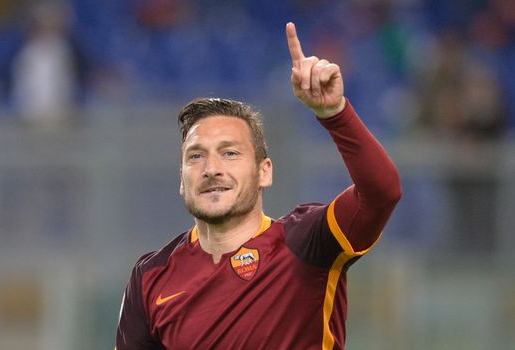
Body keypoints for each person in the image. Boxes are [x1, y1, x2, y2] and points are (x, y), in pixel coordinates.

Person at [115, 22, 402, 349]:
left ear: (264, 171)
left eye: (230, 153)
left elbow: (382, 194)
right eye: (196, 156)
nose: (211, 169)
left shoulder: (306, 242)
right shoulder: (150, 277)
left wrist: (334, 113)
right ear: (182, 180)